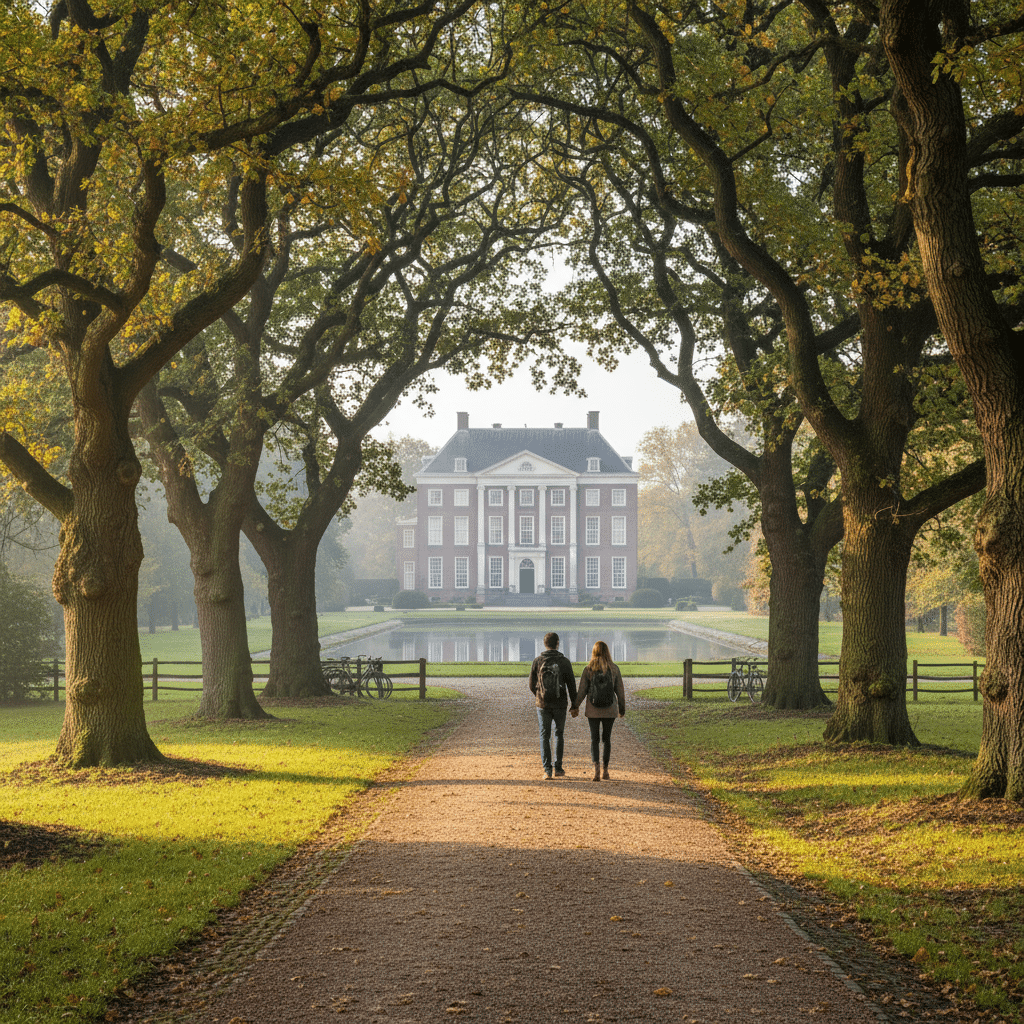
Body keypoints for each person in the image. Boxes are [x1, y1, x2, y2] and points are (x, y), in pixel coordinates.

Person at [571, 640, 626, 781]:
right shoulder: (614, 668)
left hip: (593, 709)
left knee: (594, 739)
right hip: (610, 709)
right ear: (608, 652)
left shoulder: (588, 669)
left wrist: (575, 705)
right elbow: (620, 690)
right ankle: (605, 771)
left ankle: (596, 771)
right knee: (606, 740)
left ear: (594, 652)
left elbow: (582, 691)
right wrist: (622, 708)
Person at [528, 632, 577, 780]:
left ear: (544, 644)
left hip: (542, 704)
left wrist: (539, 695)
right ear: (557, 643)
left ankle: (547, 770)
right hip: (560, 703)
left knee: (544, 735)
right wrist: (574, 704)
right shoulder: (564, 662)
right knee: (559, 734)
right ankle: (559, 768)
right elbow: (571, 685)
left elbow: (531, 684)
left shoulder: (537, 661)